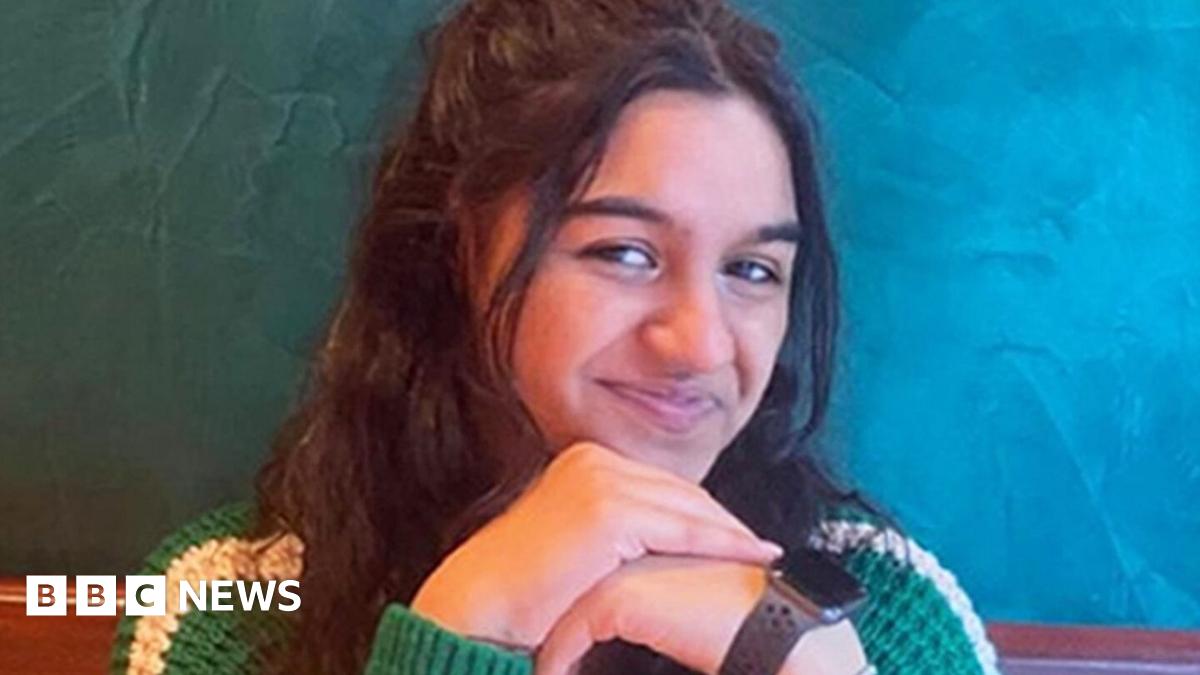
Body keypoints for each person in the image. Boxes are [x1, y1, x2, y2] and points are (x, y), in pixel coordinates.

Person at [110, 1, 1000, 674]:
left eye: (753, 270)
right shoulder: (225, 600)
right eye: (623, 252)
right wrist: (462, 630)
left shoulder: (886, 609)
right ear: (457, 248)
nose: (698, 342)